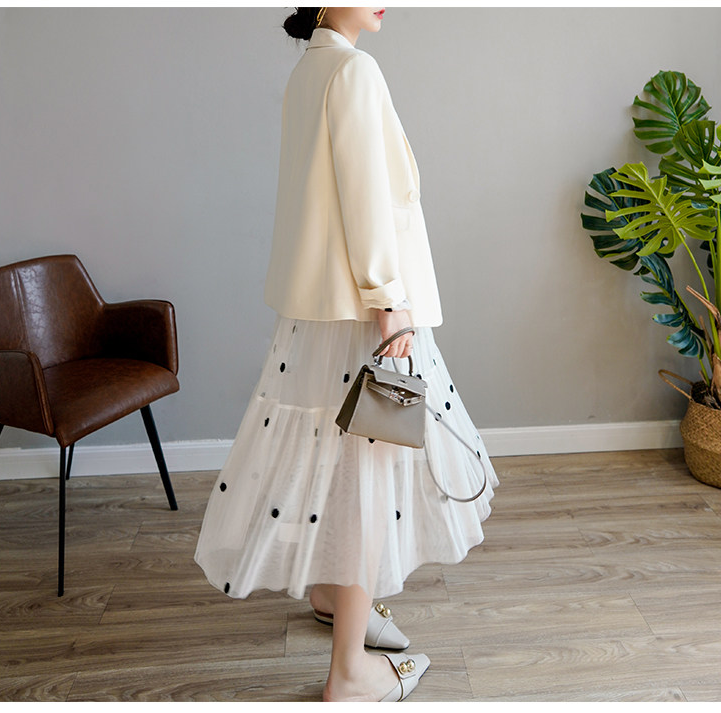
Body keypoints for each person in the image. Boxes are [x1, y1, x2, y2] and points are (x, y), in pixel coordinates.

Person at [194, 7, 499, 702]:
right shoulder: (354, 71)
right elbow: (366, 202)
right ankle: (349, 672)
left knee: (334, 459)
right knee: (367, 475)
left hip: (320, 307)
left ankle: (332, 594)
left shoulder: (311, 68)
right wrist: (392, 305)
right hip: (364, 307)